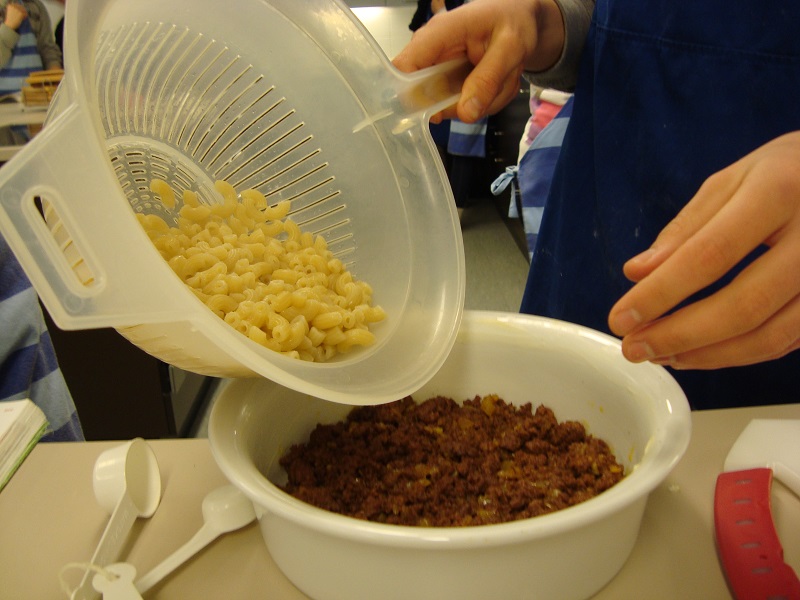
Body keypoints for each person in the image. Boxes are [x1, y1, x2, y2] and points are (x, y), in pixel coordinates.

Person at [394, 0, 800, 409]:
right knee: (549, 410)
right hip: (596, 212)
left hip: (779, 279)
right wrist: (545, 21)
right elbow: (626, 24)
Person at [0, 0, 62, 144]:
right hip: (4, 116)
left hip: (37, 106)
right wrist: (9, 27)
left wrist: (55, 77)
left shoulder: (35, 7)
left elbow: (47, 49)